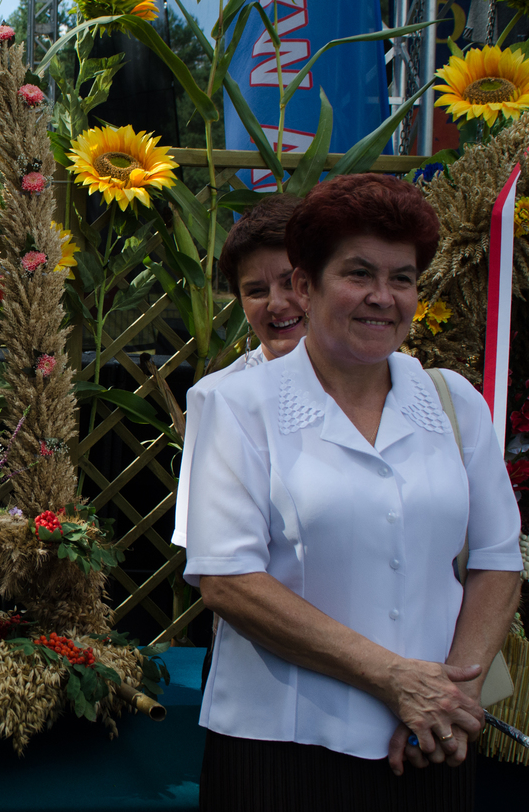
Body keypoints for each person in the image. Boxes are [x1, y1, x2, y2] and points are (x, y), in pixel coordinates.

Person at [184, 174, 524, 809]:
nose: (382, 297)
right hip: (283, 750)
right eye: (359, 274)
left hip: (431, 741)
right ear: (307, 286)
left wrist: (458, 694)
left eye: (403, 278)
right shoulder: (238, 406)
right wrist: (394, 679)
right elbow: (227, 580)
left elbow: (497, 559)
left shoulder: (454, 404)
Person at [171, 193, 304, 549]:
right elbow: (209, 551)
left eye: (290, 282)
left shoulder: (379, 382)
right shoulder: (217, 398)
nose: (276, 304)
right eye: (256, 291)